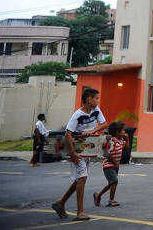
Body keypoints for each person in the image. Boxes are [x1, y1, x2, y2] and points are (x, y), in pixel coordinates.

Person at [52, 87, 109, 221]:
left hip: (88, 148)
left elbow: (105, 124)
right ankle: (80, 212)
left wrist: (93, 130)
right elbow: (68, 133)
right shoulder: (77, 115)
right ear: (89, 100)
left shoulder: (96, 110)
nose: (98, 100)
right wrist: (72, 154)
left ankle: (60, 203)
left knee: (80, 179)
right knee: (82, 178)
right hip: (77, 149)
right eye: (96, 98)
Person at [93, 121, 127, 207]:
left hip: (115, 166)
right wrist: (114, 162)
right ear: (117, 132)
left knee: (111, 183)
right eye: (123, 130)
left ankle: (98, 194)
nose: (124, 132)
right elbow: (107, 153)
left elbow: (126, 147)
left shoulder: (120, 140)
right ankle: (111, 200)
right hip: (108, 165)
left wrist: (127, 138)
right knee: (114, 181)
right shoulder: (112, 141)